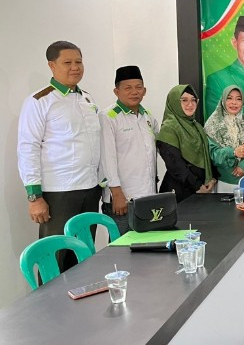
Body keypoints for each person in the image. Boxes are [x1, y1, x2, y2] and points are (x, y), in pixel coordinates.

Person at [17, 41, 101, 272]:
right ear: (52, 66)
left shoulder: (87, 99)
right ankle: (50, 298)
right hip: (59, 193)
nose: (75, 67)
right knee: (55, 259)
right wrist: (34, 197)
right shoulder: (39, 101)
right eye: (67, 62)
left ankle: (82, 294)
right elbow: (28, 147)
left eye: (79, 62)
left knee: (84, 256)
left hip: (89, 188)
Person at [99, 66, 160, 234]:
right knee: (121, 247)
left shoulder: (147, 116)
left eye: (138, 87)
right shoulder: (108, 117)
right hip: (123, 199)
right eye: (128, 88)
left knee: (146, 244)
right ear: (116, 91)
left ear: (144, 91)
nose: (134, 92)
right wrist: (117, 193)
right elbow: (107, 158)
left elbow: (160, 147)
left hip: (147, 197)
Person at [157, 84, 217, 202]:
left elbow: (206, 154)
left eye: (193, 100)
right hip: (179, 191)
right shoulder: (169, 128)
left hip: (200, 188)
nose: (190, 104)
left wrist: (212, 178)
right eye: (184, 100)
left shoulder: (196, 126)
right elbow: (175, 164)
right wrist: (197, 186)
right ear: (174, 102)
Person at [205, 85, 244, 193]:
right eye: (229, 98)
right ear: (223, 100)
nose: (234, 103)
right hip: (224, 181)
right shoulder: (212, 124)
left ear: (243, 102)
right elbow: (212, 154)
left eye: (238, 99)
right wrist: (234, 152)